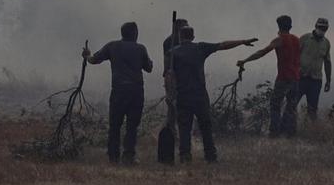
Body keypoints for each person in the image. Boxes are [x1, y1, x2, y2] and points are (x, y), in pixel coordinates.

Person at [169, 26, 256, 163]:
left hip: (183, 94)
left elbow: (170, 76)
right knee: (205, 126)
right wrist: (242, 41)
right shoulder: (200, 48)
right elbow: (223, 45)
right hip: (199, 94)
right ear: (193, 36)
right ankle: (210, 156)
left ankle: (185, 157)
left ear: (180, 37)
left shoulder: (173, 52)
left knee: (184, 127)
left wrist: (171, 95)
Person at [82, 22, 154, 164]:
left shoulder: (112, 46)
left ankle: (113, 156)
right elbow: (149, 68)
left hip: (118, 91)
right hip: (135, 92)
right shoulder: (140, 49)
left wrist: (87, 55)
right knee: (132, 125)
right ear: (134, 33)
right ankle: (128, 156)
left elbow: (93, 60)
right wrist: (150, 61)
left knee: (115, 125)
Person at [238, 15, 302, 136]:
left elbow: (262, 52)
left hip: (283, 78)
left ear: (278, 26)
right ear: (290, 26)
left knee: (275, 105)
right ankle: (290, 133)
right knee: (291, 107)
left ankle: (274, 133)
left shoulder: (280, 39)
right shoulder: (297, 40)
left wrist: (245, 60)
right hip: (295, 78)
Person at [295, 17, 332, 120]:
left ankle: (310, 132)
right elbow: (294, 55)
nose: (322, 30)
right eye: (320, 27)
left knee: (312, 109)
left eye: (325, 28)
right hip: (300, 78)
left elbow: (327, 62)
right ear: (315, 26)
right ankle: (287, 130)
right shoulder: (305, 38)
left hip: (315, 81)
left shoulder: (326, 43)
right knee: (292, 104)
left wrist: (328, 81)